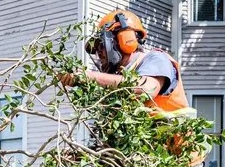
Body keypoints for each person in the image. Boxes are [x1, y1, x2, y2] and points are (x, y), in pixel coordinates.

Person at [62, 9, 195, 120]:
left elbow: (146, 90)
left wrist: (90, 76)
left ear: (125, 39)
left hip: (176, 148)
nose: (99, 54)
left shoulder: (156, 59)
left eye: (101, 46)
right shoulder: (120, 78)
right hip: (145, 150)